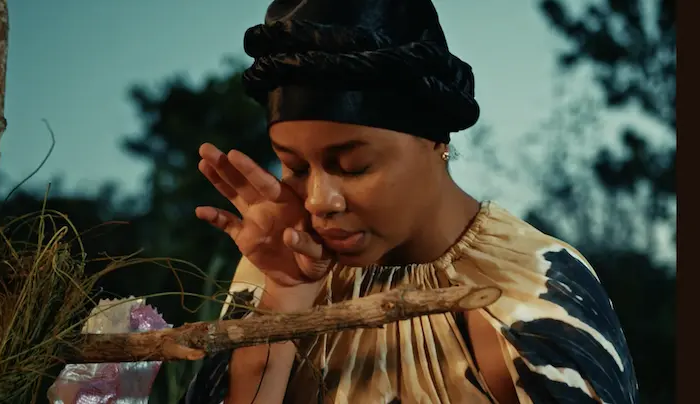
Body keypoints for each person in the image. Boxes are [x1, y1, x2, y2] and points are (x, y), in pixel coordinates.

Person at [182, 0, 640, 403]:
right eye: (295, 167)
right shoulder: (283, 266)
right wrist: (283, 303)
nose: (319, 201)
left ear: (434, 140)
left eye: (354, 166)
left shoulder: (533, 290)